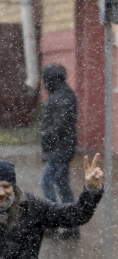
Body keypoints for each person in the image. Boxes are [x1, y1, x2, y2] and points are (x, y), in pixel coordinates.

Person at [39, 63, 80, 238]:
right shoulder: (61, 95)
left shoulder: (63, 97)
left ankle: (54, 222)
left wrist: (46, 134)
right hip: (60, 149)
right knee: (63, 187)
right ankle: (72, 227)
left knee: (46, 183)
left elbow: (60, 125)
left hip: (60, 150)